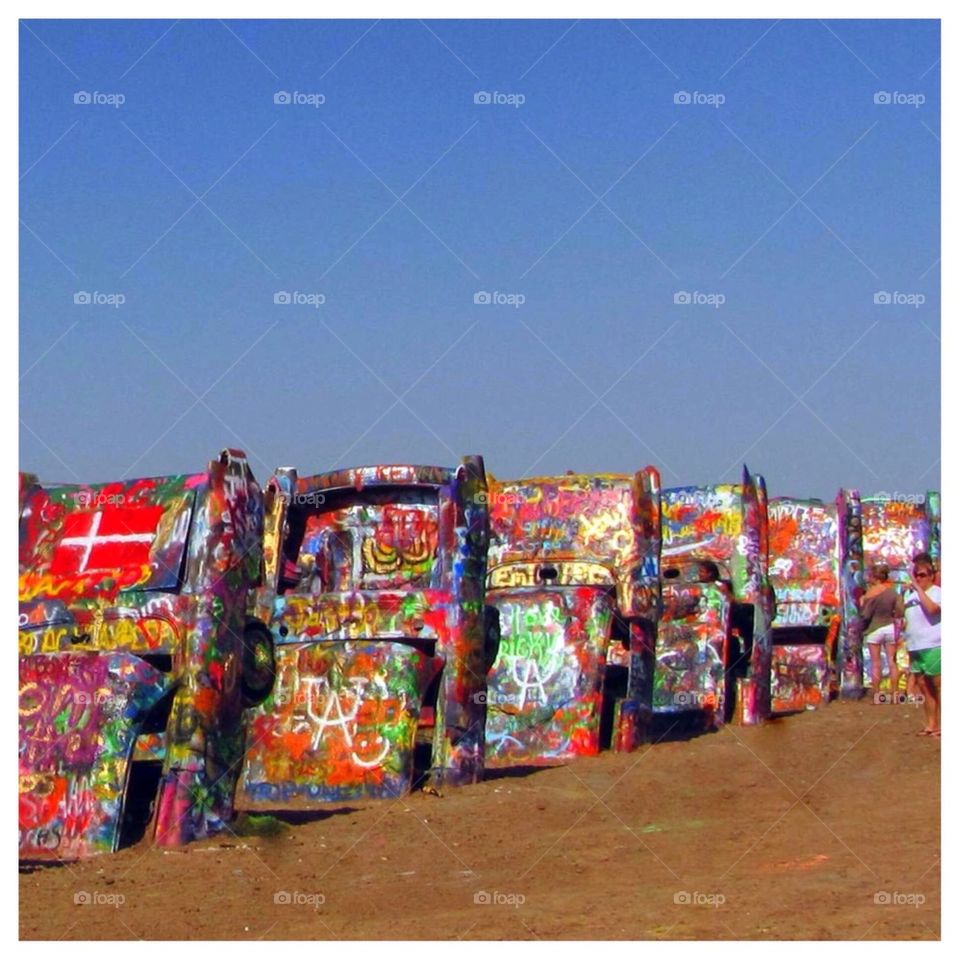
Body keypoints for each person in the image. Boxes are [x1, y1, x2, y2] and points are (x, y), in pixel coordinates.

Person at [902, 552, 941, 736]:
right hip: (915, 646)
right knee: (924, 687)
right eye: (916, 574)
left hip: (935, 645)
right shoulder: (910, 595)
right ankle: (931, 724)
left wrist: (918, 589)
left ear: (932, 575)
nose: (918, 578)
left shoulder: (937, 593)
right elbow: (903, 615)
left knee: (939, 685)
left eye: (922, 575)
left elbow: (933, 610)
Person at [860, 563, 903, 700]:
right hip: (890, 627)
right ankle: (895, 693)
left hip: (874, 628)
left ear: (875, 577)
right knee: (892, 661)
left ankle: (877, 694)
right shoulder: (892, 592)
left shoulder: (871, 593)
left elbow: (865, 615)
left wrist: (862, 602)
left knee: (876, 664)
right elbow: (900, 610)